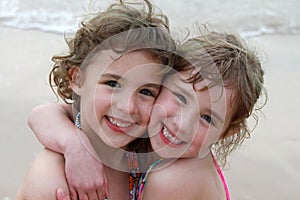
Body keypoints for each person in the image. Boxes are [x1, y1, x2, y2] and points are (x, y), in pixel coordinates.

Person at [23, 28, 266, 200]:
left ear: (226, 132)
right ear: (163, 84)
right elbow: (45, 113)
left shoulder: (172, 180)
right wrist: (73, 144)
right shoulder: (160, 143)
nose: (182, 124)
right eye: (180, 98)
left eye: (207, 118)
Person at [16, 0, 175, 200]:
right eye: (112, 84)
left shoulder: (144, 156)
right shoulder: (51, 180)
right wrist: (73, 144)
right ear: (78, 79)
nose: (127, 107)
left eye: (146, 92)